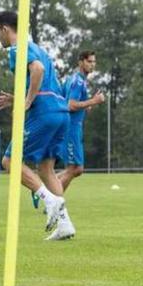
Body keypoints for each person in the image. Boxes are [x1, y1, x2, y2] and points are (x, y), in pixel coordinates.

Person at [0, 10, 75, 240]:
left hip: (44, 112)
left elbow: (36, 69)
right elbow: (45, 77)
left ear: (4, 29)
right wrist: (17, 99)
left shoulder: (17, 49)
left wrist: (28, 101)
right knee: (46, 168)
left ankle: (51, 201)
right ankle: (65, 224)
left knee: (9, 161)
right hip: (61, 112)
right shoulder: (40, 48)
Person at [57, 50, 105, 192]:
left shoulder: (75, 79)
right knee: (75, 168)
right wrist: (94, 100)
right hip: (71, 127)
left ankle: (43, 190)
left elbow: (68, 102)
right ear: (81, 62)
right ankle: (52, 201)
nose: (92, 65)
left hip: (72, 127)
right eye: (89, 61)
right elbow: (71, 105)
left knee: (75, 169)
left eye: (94, 62)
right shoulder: (78, 81)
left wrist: (88, 104)